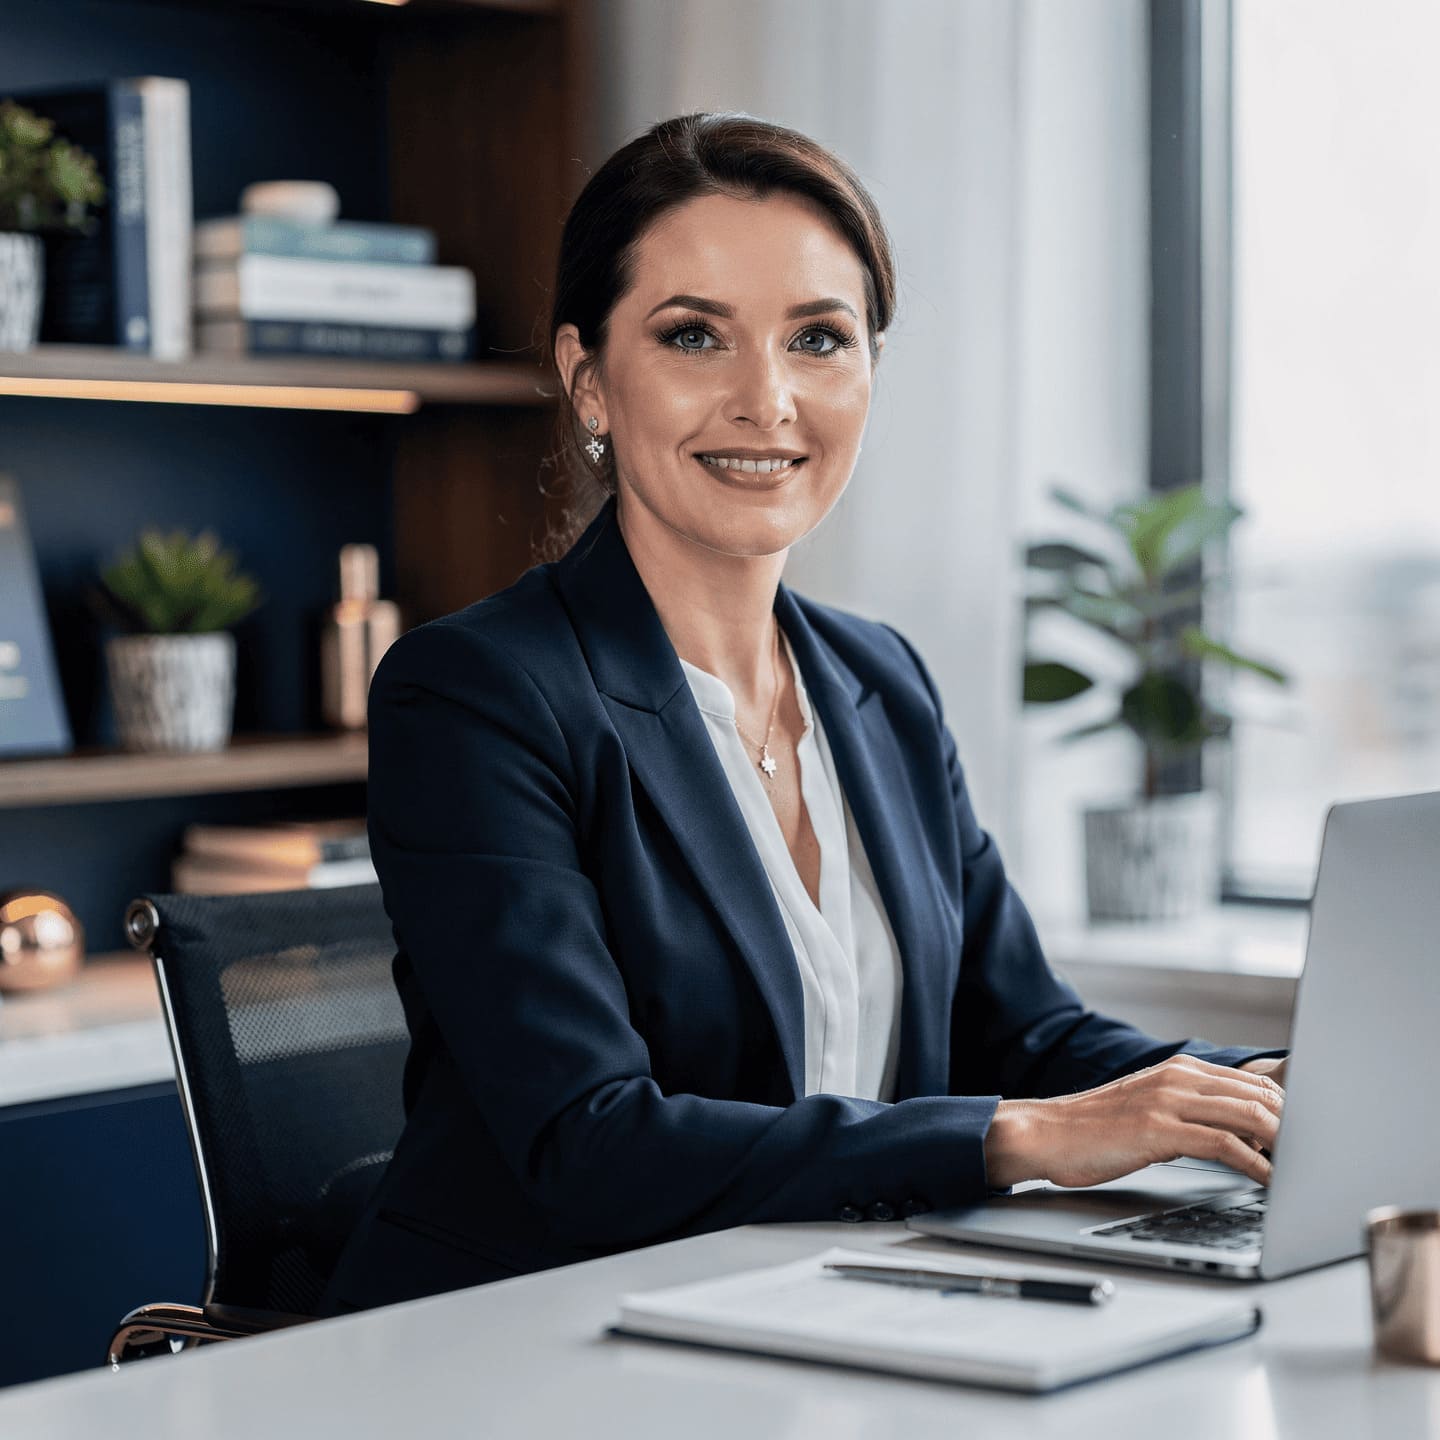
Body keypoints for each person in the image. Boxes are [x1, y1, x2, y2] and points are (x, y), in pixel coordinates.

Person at [319, 113, 1287, 1317]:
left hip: (832, 1309)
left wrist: (1267, 1088)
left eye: (818, 339)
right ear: (589, 379)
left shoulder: (881, 682)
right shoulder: (476, 694)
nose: (767, 400)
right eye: (694, 337)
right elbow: (591, 1141)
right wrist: (1019, 1137)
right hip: (528, 1336)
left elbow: (1028, 1036)